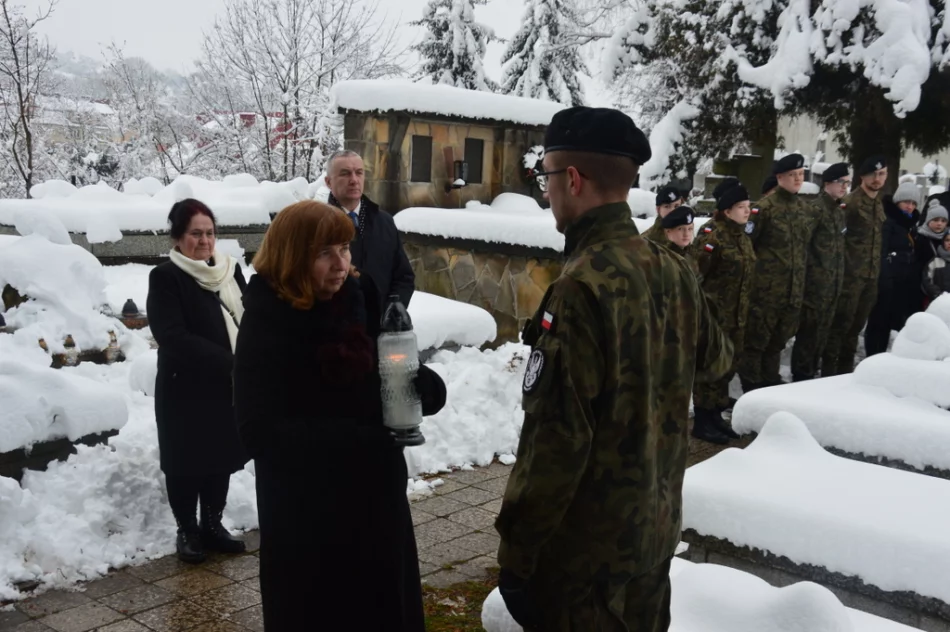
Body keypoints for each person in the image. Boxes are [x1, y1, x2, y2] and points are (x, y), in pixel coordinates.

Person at [495, 106, 732, 632]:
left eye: (546, 177)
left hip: (587, 560)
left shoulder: (580, 287)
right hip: (654, 534)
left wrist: (518, 551)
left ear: (573, 179)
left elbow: (557, 441)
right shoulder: (673, 267)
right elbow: (717, 361)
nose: (545, 192)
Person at [233, 200, 446, 632]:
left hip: (375, 505)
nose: (341, 264)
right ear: (292, 256)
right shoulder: (267, 320)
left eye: (345, 249)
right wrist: (359, 440)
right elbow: (259, 433)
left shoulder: (357, 297)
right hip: (308, 519)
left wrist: (419, 384)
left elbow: (381, 370)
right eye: (324, 253)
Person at [147, 199, 249, 564]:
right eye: (195, 234)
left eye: (209, 233)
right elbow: (171, 335)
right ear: (178, 237)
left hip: (226, 388)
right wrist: (230, 362)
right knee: (185, 461)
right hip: (184, 388)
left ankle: (212, 525)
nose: (204, 241)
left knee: (220, 455)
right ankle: (187, 530)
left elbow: (249, 317)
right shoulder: (166, 277)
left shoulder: (230, 271)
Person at [738, 153, 810, 391]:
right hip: (766, 293)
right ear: (779, 177)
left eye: (801, 174)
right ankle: (752, 389)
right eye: (792, 175)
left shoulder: (803, 209)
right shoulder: (764, 209)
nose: (798, 179)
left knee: (777, 343)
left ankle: (770, 384)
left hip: (792, 292)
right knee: (756, 344)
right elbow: (747, 247)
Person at [693, 180, 755, 444]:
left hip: (736, 317)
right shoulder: (712, 236)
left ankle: (715, 414)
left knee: (727, 367)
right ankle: (702, 420)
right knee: (710, 369)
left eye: (748, 206)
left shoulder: (741, 236)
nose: (747, 211)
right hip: (714, 318)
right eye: (741, 207)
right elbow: (696, 277)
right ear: (727, 210)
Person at [324, 150, 415, 309]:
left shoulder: (384, 222)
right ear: (328, 182)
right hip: (336, 321)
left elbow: (403, 277)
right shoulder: (318, 226)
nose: (354, 180)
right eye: (345, 174)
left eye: (359, 173)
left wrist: (395, 307)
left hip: (380, 321)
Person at [822, 156, 888, 374]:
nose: (877, 179)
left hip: (870, 278)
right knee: (839, 329)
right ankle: (829, 375)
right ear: (862, 177)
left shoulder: (878, 203)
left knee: (855, 330)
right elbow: (836, 239)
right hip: (849, 278)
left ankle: (845, 374)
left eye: (881, 174)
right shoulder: (849, 203)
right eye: (872, 174)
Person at [792, 163, 849, 381]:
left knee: (821, 341)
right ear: (827, 183)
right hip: (814, 290)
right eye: (841, 182)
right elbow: (803, 247)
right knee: (808, 341)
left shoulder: (838, 212)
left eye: (847, 183)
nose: (844, 187)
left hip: (831, 289)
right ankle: (800, 382)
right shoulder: (815, 210)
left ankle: (810, 378)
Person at [864, 182, 921, 356]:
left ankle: (882, 358)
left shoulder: (909, 224)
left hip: (902, 282)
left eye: (913, 203)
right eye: (906, 202)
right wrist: (885, 279)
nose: (910, 206)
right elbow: (881, 252)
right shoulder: (889, 222)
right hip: (887, 282)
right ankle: (873, 357)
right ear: (897, 202)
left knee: (889, 323)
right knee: (878, 323)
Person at [658, 205, 698, 274]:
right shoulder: (663, 258)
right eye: (680, 229)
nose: (686, 234)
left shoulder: (691, 253)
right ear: (668, 232)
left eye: (690, 229)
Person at [913, 200, 949, 276]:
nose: (939, 223)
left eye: (943, 221)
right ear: (928, 221)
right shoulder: (920, 238)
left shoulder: (946, 238)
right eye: (935, 220)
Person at [922, 231, 950, 300]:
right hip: (939, 300)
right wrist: (938, 295)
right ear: (943, 242)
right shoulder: (934, 262)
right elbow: (927, 282)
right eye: (947, 240)